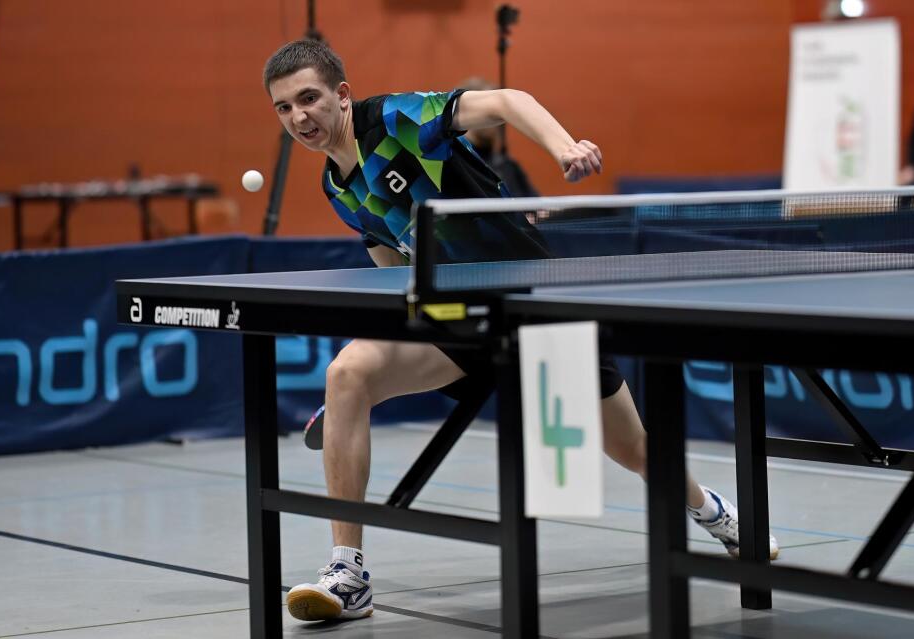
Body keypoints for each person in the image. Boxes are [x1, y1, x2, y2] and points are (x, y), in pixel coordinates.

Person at [262, 39, 779, 624]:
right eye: (284, 108)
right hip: (455, 322)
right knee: (348, 374)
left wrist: (566, 147)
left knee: (631, 448)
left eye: (309, 98)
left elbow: (507, 100)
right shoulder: (337, 186)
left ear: (342, 95)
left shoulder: (400, 121)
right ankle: (348, 574)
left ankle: (712, 512)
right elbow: (389, 253)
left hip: (529, 306)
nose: (300, 117)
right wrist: (406, 318)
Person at [458, 76, 539, 197]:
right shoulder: (454, 165)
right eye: (489, 111)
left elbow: (537, 211)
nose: (494, 119)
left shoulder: (508, 166)